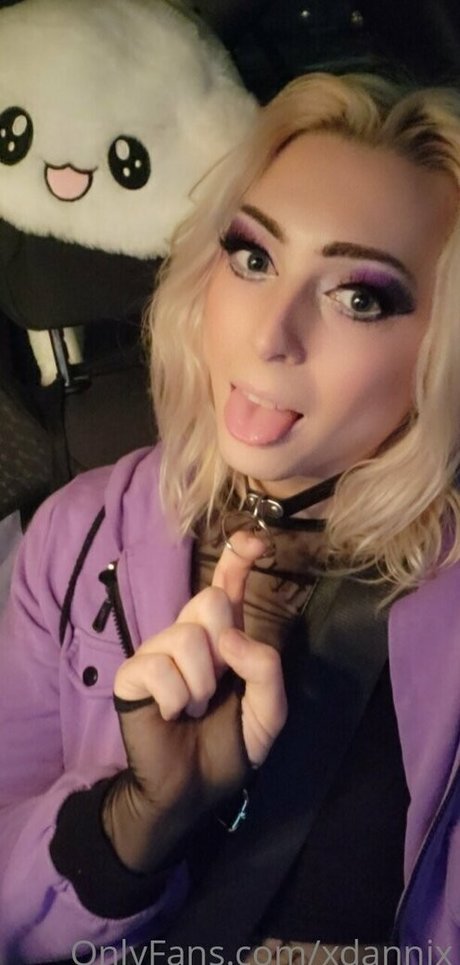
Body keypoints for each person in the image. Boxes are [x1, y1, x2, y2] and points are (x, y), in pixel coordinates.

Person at [1, 70, 460, 965]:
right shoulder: (77, 532)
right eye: (253, 257)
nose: (268, 334)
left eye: (359, 297)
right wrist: (128, 828)